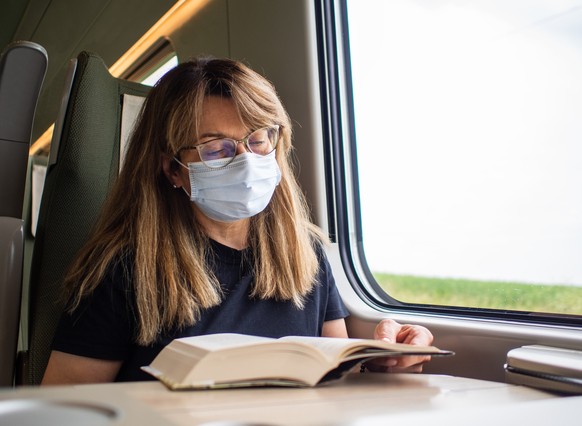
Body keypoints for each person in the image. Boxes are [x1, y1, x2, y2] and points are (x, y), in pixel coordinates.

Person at [41, 57, 433, 384]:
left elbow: (333, 380)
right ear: (173, 170)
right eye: (216, 148)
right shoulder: (124, 270)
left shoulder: (307, 253)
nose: (245, 160)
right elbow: (66, 411)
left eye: (258, 138)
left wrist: (383, 363)